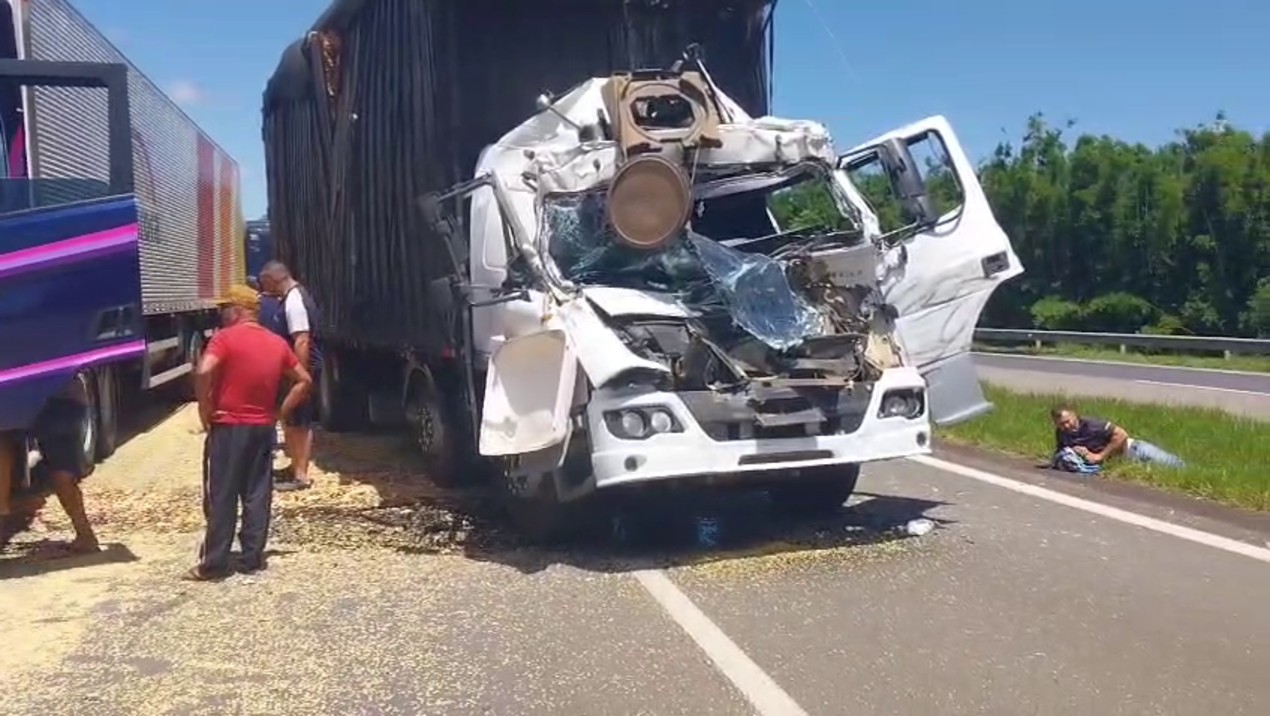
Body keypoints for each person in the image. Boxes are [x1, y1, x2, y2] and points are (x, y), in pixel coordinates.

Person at [189, 285, 311, 581]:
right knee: (257, 492)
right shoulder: (276, 343)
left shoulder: (225, 339)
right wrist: (279, 412)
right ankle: (251, 557)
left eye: (223, 309)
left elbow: (205, 370)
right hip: (261, 427)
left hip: (229, 425)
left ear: (236, 310)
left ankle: (214, 563)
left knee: (223, 493)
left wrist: (205, 407)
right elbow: (304, 380)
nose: (221, 315)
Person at [0, 380, 100, 553]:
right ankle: (85, 534)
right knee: (62, 469)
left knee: (3, 443)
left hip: (18, 397)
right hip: (59, 399)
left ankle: (2, 514)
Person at [258, 261, 322, 491]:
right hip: (295, 370)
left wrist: (299, 374)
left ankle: (301, 475)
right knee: (291, 420)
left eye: (265, 283)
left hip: (300, 369)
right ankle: (295, 466)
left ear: (273, 279)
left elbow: (302, 340)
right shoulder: (293, 296)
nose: (265, 289)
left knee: (299, 422)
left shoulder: (294, 300)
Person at [1050, 404, 1184, 470]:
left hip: (1133, 450)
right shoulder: (1062, 434)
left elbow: (1121, 434)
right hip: (1122, 464)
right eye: (1061, 424)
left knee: (1177, 467)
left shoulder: (1092, 425)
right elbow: (1061, 452)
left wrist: (1100, 456)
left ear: (1074, 415)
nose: (1066, 426)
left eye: (1068, 421)